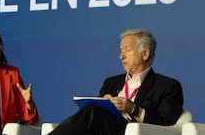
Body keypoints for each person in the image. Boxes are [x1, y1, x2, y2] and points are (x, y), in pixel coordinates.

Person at [49, 28, 184, 135]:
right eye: (120, 51)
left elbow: (167, 125)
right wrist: (104, 103)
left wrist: (133, 109)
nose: (121, 56)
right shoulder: (111, 83)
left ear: (145, 54)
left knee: (92, 111)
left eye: (128, 50)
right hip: (105, 130)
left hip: (134, 132)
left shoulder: (168, 86)